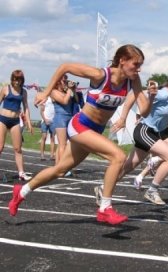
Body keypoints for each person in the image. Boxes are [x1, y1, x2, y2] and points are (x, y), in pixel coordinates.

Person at [8, 44, 155, 225]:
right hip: (80, 126)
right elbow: (65, 67)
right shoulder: (101, 75)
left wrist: (151, 98)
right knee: (118, 156)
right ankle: (105, 208)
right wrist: (46, 93)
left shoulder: (133, 80)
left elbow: (145, 111)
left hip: (95, 131)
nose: (139, 69)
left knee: (60, 170)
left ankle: (20, 192)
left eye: (140, 65)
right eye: (136, 64)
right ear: (122, 61)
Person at [107, 69, 168, 205]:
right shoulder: (161, 93)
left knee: (128, 167)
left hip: (155, 133)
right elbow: (133, 95)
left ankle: (103, 188)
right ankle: (152, 191)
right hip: (144, 130)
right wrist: (123, 118)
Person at [0, 70, 33, 181]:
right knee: (0, 147)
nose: (16, 81)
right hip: (3, 120)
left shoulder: (24, 92)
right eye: (14, 79)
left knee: (18, 149)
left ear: (22, 80)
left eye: (18, 79)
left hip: (15, 121)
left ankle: (21, 173)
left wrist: (29, 122)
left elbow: (26, 108)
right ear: (12, 79)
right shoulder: (5, 89)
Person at [40, 96, 56, 161]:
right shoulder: (45, 99)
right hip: (45, 121)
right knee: (44, 136)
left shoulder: (56, 100)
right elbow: (41, 111)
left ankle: (52, 155)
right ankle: (42, 155)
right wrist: (45, 119)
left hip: (53, 121)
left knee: (53, 138)